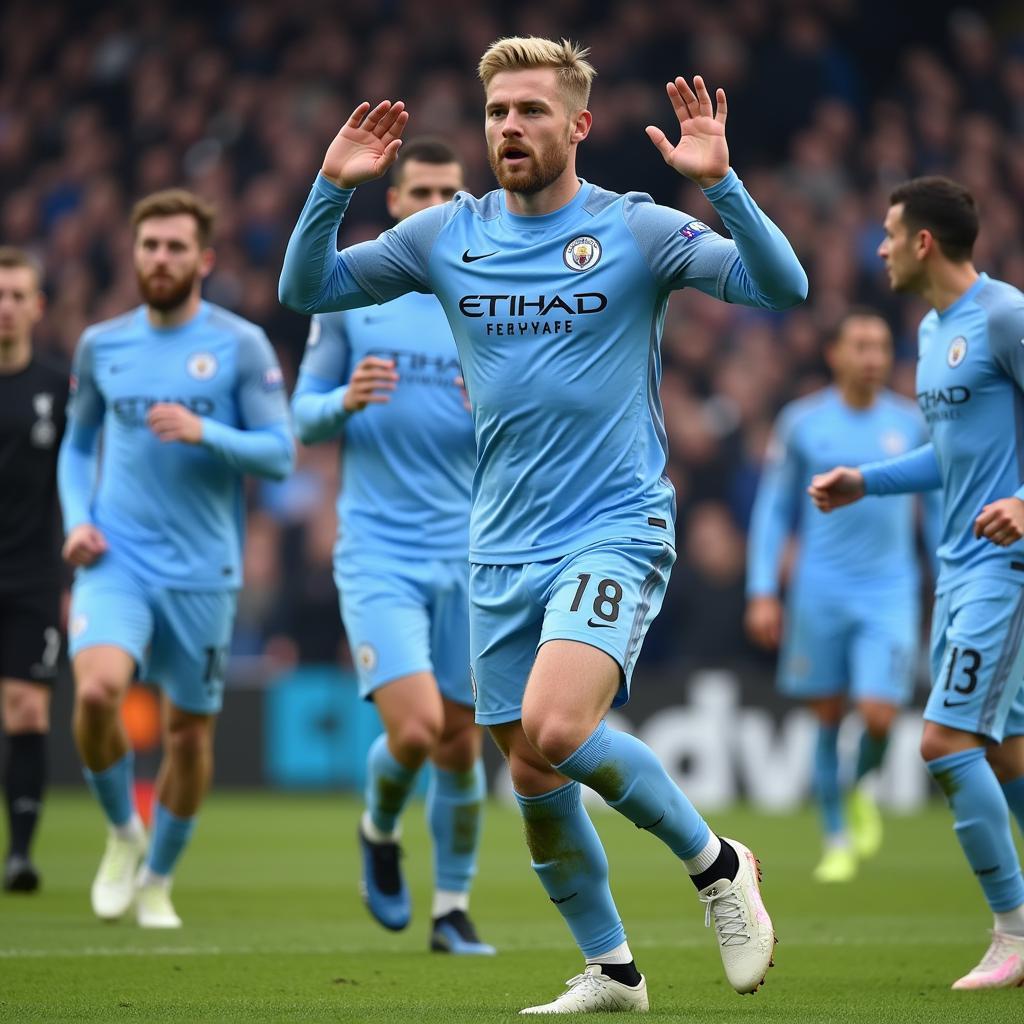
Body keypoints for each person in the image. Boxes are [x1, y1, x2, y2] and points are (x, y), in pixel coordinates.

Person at [280, 36, 806, 1013]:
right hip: (496, 543)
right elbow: (305, 290)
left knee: (560, 726)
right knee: (529, 772)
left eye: (529, 111)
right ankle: (611, 968)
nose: (509, 128)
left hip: (612, 523)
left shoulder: (635, 229)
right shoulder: (446, 233)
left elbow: (783, 289)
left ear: (578, 125)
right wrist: (327, 186)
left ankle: (718, 862)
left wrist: (724, 185)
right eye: (496, 113)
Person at [809, 176, 1024, 989]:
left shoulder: (1004, 316)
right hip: (960, 566)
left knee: (944, 741)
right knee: (1005, 750)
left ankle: (1013, 931)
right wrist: (867, 480)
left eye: (891, 234)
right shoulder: (934, 331)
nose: (881, 248)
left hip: (1006, 568)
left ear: (924, 242)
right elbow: (951, 454)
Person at [58, 189, 294, 928]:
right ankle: (124, 832)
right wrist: (77, 520)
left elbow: (281, 454)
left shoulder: (240, 344)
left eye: (174, 247)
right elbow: (75, 444)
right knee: (96, 693)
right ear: (134, 254)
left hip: (202, 570)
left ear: (204, 259)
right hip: (115, 556)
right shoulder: (102, 345)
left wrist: (205, 433)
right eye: (149, 246)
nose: (160, 259)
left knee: (188, 733)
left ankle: (158, 877)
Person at [291, 138, 493, 955]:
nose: (439, 203)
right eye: (423, 191)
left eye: (453, 191)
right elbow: (300, 418)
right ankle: (379, 828)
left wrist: (497, 404)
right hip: (380, 550)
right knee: (414, 731)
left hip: (475, 552)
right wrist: (343, 399)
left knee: (460, 738)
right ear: (397, 203)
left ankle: (450, 909)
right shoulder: (356, 297)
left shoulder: (489, 301)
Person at [746, 309, 938, 883]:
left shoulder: (910, 423)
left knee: (879, 715)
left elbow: (933, 509)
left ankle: (859, 788)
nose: (874, 357)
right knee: (827, 716)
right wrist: (762, 591)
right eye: (861, 345)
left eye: (881, 345)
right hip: (819, 589)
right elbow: (774, 510)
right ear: (835, 354)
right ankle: (836, 836)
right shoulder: (803, 424)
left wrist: (947, 573)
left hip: (889, 589)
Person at [0, 248, 67, 893]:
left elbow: (77, 482)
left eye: (18, 295)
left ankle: (20, 853)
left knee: (26, 712)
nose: (7, 307)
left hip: (34, 577)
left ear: (37, 306)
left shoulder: (56, 387)